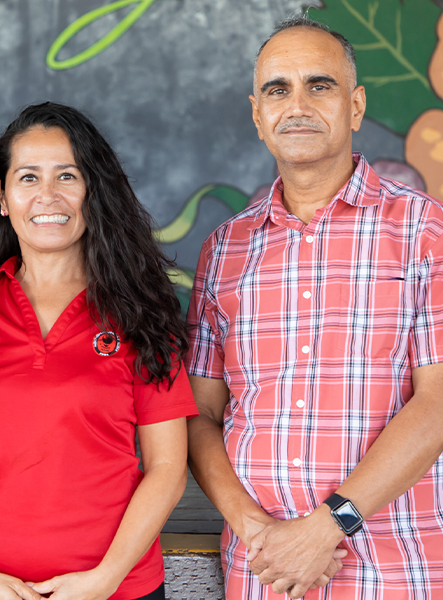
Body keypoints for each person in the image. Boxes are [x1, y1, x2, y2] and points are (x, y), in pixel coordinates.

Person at [186, 13, 443, 600]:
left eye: (318, 85)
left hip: (397, 568)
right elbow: (198, 416)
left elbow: (438, 403)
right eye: (278, 89)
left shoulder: (426, 231)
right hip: (263, 572)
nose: (296, 104)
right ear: (258, 115)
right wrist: (256, 532)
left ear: (355, 106)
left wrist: (327, 526)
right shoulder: (225, 250)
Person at [0, 102, 198, 600]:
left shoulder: (144, 312)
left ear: (94, 192)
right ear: (3, 197)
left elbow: (168, 468)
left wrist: (103, 580)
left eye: (68, 175)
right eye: (27, 178)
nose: (48, 196)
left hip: (115, 589)